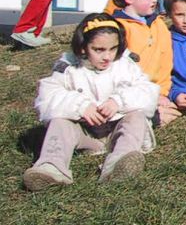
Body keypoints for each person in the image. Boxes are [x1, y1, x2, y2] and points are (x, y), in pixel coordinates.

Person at [22, 13, 159, 190]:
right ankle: (52, 167)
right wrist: (81, 107)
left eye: (113, 48)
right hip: (85, 134)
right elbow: (47, 97)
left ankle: (118, 163)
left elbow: (147, 91)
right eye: (99, 50)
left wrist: (118, 101)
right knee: (59, 122)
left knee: (136, 117)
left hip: (117, 132)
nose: (107, 56)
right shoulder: (69, 67)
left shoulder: (126, 65)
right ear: (83, 47)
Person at [109, 0, 176, 126]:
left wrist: (162, 92)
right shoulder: (117, 28)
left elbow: (166, 62)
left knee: (171, 112)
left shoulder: (159, 24)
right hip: (126, 92)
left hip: (155, 91)